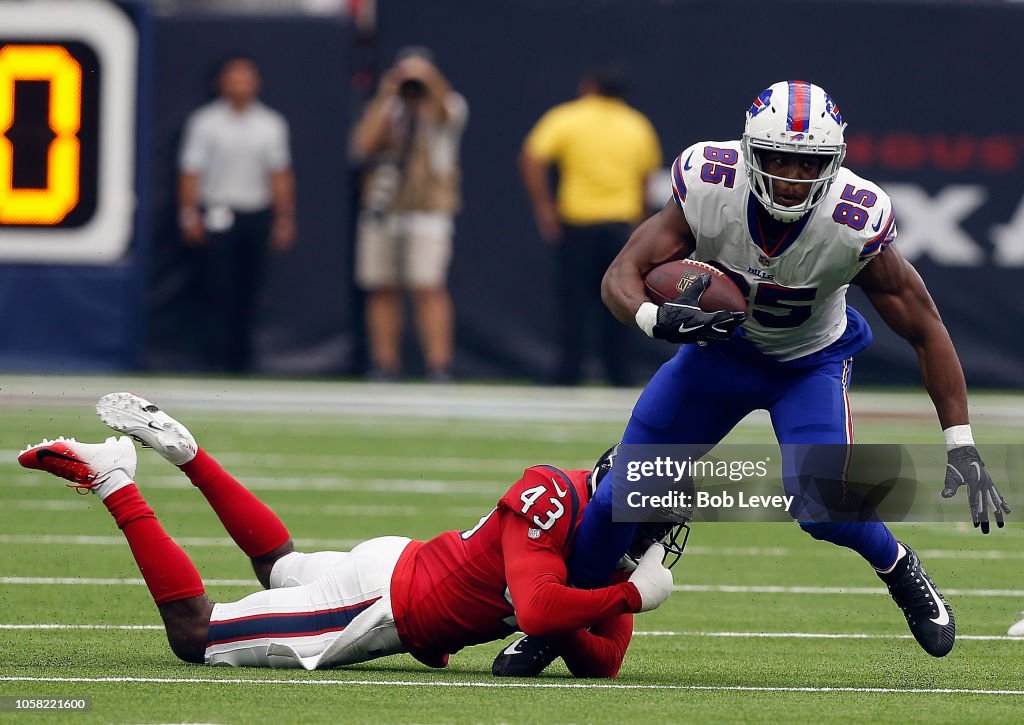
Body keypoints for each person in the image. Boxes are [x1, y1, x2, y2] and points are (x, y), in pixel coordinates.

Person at [497, 80, 1011, 673]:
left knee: (822, 506)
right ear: (748, 153)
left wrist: (961, 443)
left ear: (834, 164)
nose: (791, 176)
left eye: (807, 163)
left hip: (807, 364)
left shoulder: (855, 217)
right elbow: (623, 273)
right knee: (622, 496)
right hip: (720, 355)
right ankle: (564, 621)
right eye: (777, 159)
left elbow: (925, 327)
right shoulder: (710, 182)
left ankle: (899, 567)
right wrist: (654, 317)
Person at [16, 393, 681, 676]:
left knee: (279, 567)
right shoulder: (551, 495)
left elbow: (603, 661)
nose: (655, 538)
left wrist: (609, 595)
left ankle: (191, 456)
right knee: (196, 634)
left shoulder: (611, 553)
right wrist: (628, 599)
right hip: (383, 604)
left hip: (403, 564)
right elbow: (537, 607)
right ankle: (114, 477)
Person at [521, 65, 662, 386]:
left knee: (574, 303)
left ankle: (569, 374)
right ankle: (620, 376)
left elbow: (531, 156)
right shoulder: (636, 124)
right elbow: (645, 177)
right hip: (619, 226)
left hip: (578, 222)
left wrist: (545, 208)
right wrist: (641, 223)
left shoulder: (568, 117)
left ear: (589, 86)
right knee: (623, 300)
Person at [350, 47, 467, 382]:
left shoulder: (448, 106)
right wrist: (388, 94)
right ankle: (384, 363)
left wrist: (426, 78)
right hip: (384, 207)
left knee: (427, 285)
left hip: (428, 209)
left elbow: (446, 111)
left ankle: (438, 364)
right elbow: (363, 144)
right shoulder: (391, 107)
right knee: (381, 285)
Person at [178, 56, 296, 373]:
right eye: (235, 77)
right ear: (221, 82)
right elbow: (191, 171)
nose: (241, 84)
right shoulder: (205, 123)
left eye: (246, 77)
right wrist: (189, 214)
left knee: (250, 289)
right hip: (219, 213)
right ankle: (213, 360)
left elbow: (280, 173)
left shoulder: (271, 124)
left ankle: (243, 361)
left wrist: (284, 217)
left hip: (255, 212)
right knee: (218, 289)